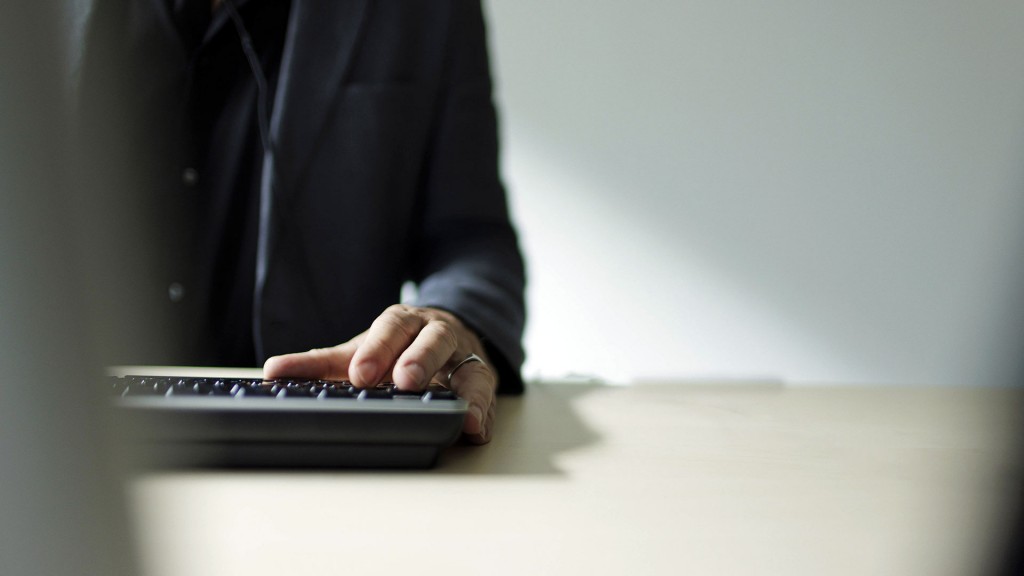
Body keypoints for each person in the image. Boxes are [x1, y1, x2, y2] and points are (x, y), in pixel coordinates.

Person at [76, 0, 526, 444]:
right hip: (58, 438)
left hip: (326, 444)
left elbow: (472, 236)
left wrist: (453, 324)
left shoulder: (430, 12)